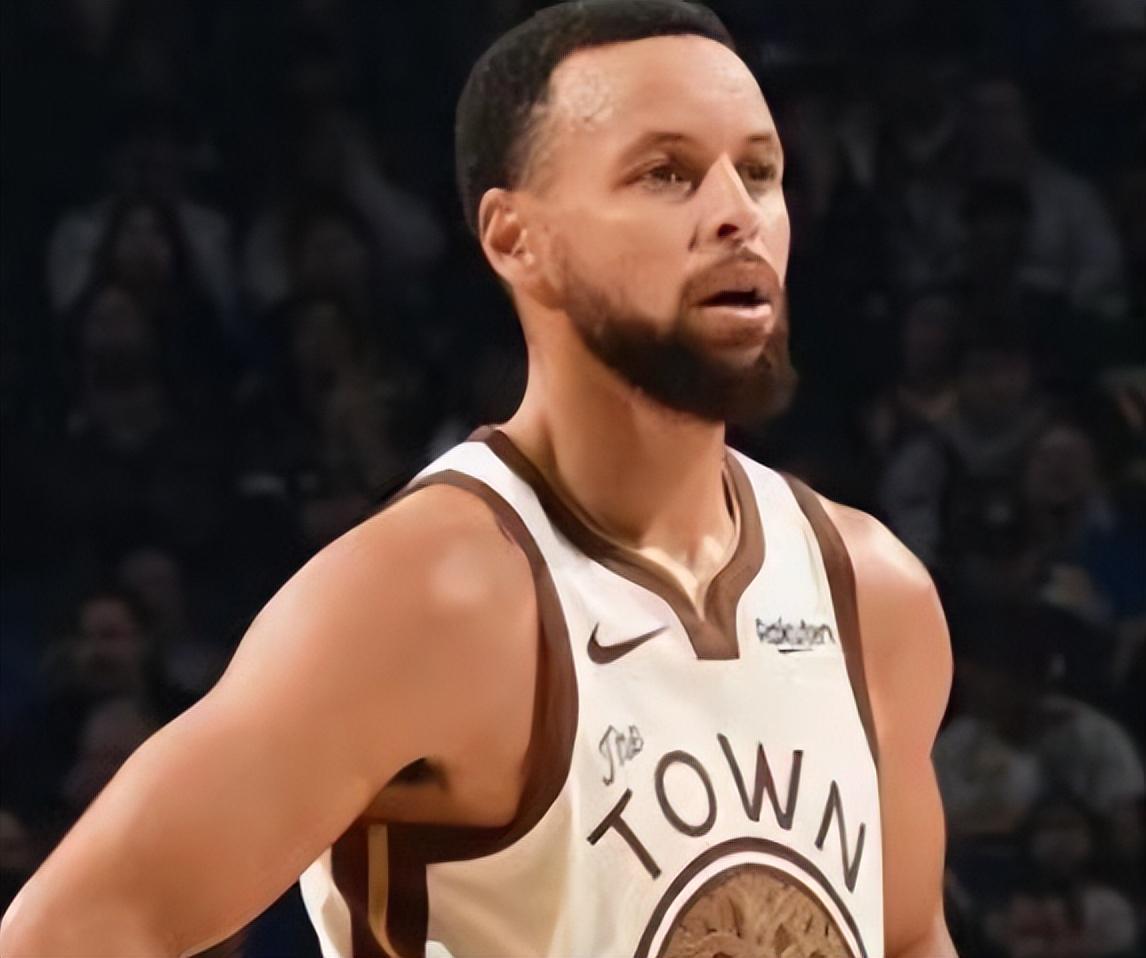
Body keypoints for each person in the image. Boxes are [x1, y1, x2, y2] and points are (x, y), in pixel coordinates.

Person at [0, 3, 957, 956]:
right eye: (665, 173)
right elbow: (71, 932)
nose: (737, 214)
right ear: (514, 239)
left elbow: (910, 935)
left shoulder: (873, 593)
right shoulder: (431, 595)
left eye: (759, 171)